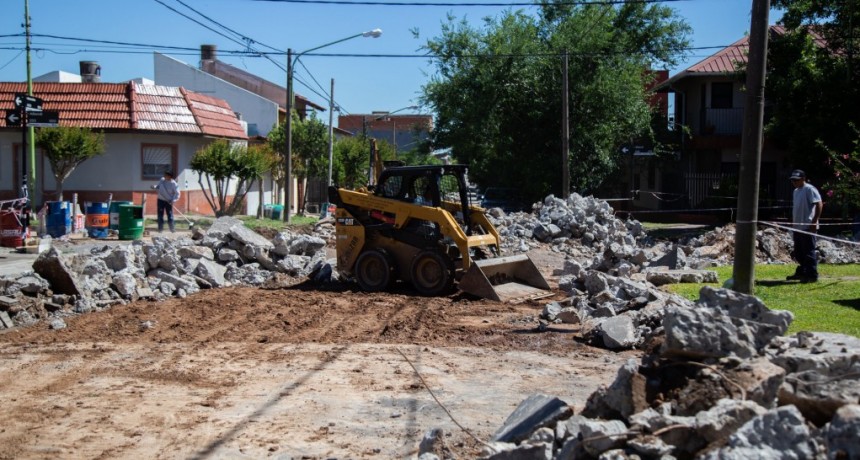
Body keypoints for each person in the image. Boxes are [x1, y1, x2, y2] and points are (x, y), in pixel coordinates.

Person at [787, 169, 823, 283]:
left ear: (803, 179)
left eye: (796, 180)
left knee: (809, 251)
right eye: (792, 180)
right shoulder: (796, 191)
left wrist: (814, 221)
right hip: (798, 226)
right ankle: (803, 271)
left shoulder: (810, 189)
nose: (794, 182)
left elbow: (819, 204)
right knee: (798, 252)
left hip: (808, 226)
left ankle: (812, 275)